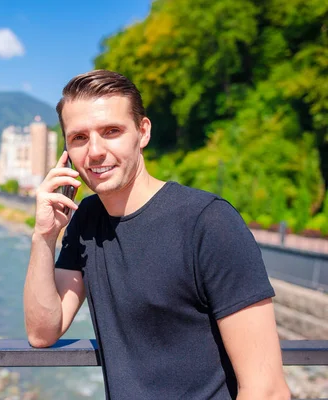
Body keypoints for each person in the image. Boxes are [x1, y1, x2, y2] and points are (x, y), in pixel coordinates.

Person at [23, 70, 290, 399]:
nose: (94, 151)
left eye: (112, 131)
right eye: (79, 137)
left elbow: (267, 390)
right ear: (66, 150)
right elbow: (42, 331)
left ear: (142, 132)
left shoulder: (208, 222)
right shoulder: (85, 220)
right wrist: (44, 235)